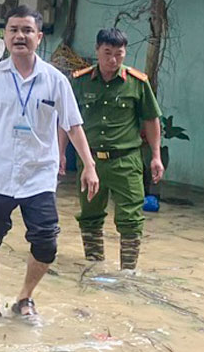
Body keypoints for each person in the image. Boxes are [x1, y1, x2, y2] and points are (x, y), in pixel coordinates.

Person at [0, 5, 100, 318]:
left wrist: (89, 166)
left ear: (39, 36)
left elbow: (72, 125)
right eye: (13, 30)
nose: (19, 36)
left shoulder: (55, 80)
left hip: (39, 174)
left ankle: (24, 297)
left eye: (26, 30)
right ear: (5, 36)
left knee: (47, 242)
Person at [65, 28, 163, 271]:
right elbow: (67, 120)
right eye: (107, 53)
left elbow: (151, 120)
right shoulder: (80, 81)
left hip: (126, 161)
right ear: (97, 50)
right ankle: (93, 267)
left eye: (119, 54)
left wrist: (156, 157)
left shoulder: (137, 83)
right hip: (90, 162)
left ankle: (127, 272)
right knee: (90, 216)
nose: (112, 60)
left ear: (125, 53)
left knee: (131, 218)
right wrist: (59, 154)